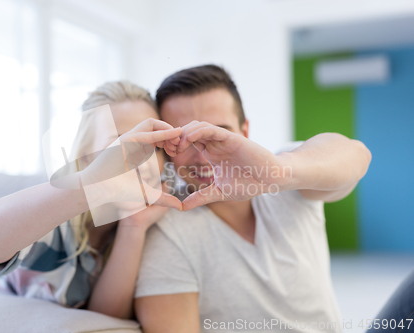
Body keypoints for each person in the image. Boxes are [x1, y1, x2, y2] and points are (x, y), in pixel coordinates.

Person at [133, 65, 372, 332]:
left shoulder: (284, 171)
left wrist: (278, 173)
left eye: (215, 134)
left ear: (244, 132)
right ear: (166, 149)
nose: (203, 156)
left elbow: (358, 155)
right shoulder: (167, 231)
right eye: (183, 141)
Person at [0, 81, 183, 319]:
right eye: (121, 145)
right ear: (85, 156)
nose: (142, 161)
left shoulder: (156, 219)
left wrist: (134, 227)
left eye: (154, 146)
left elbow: (104, 318)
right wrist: (92, 183)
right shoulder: (55, 218)